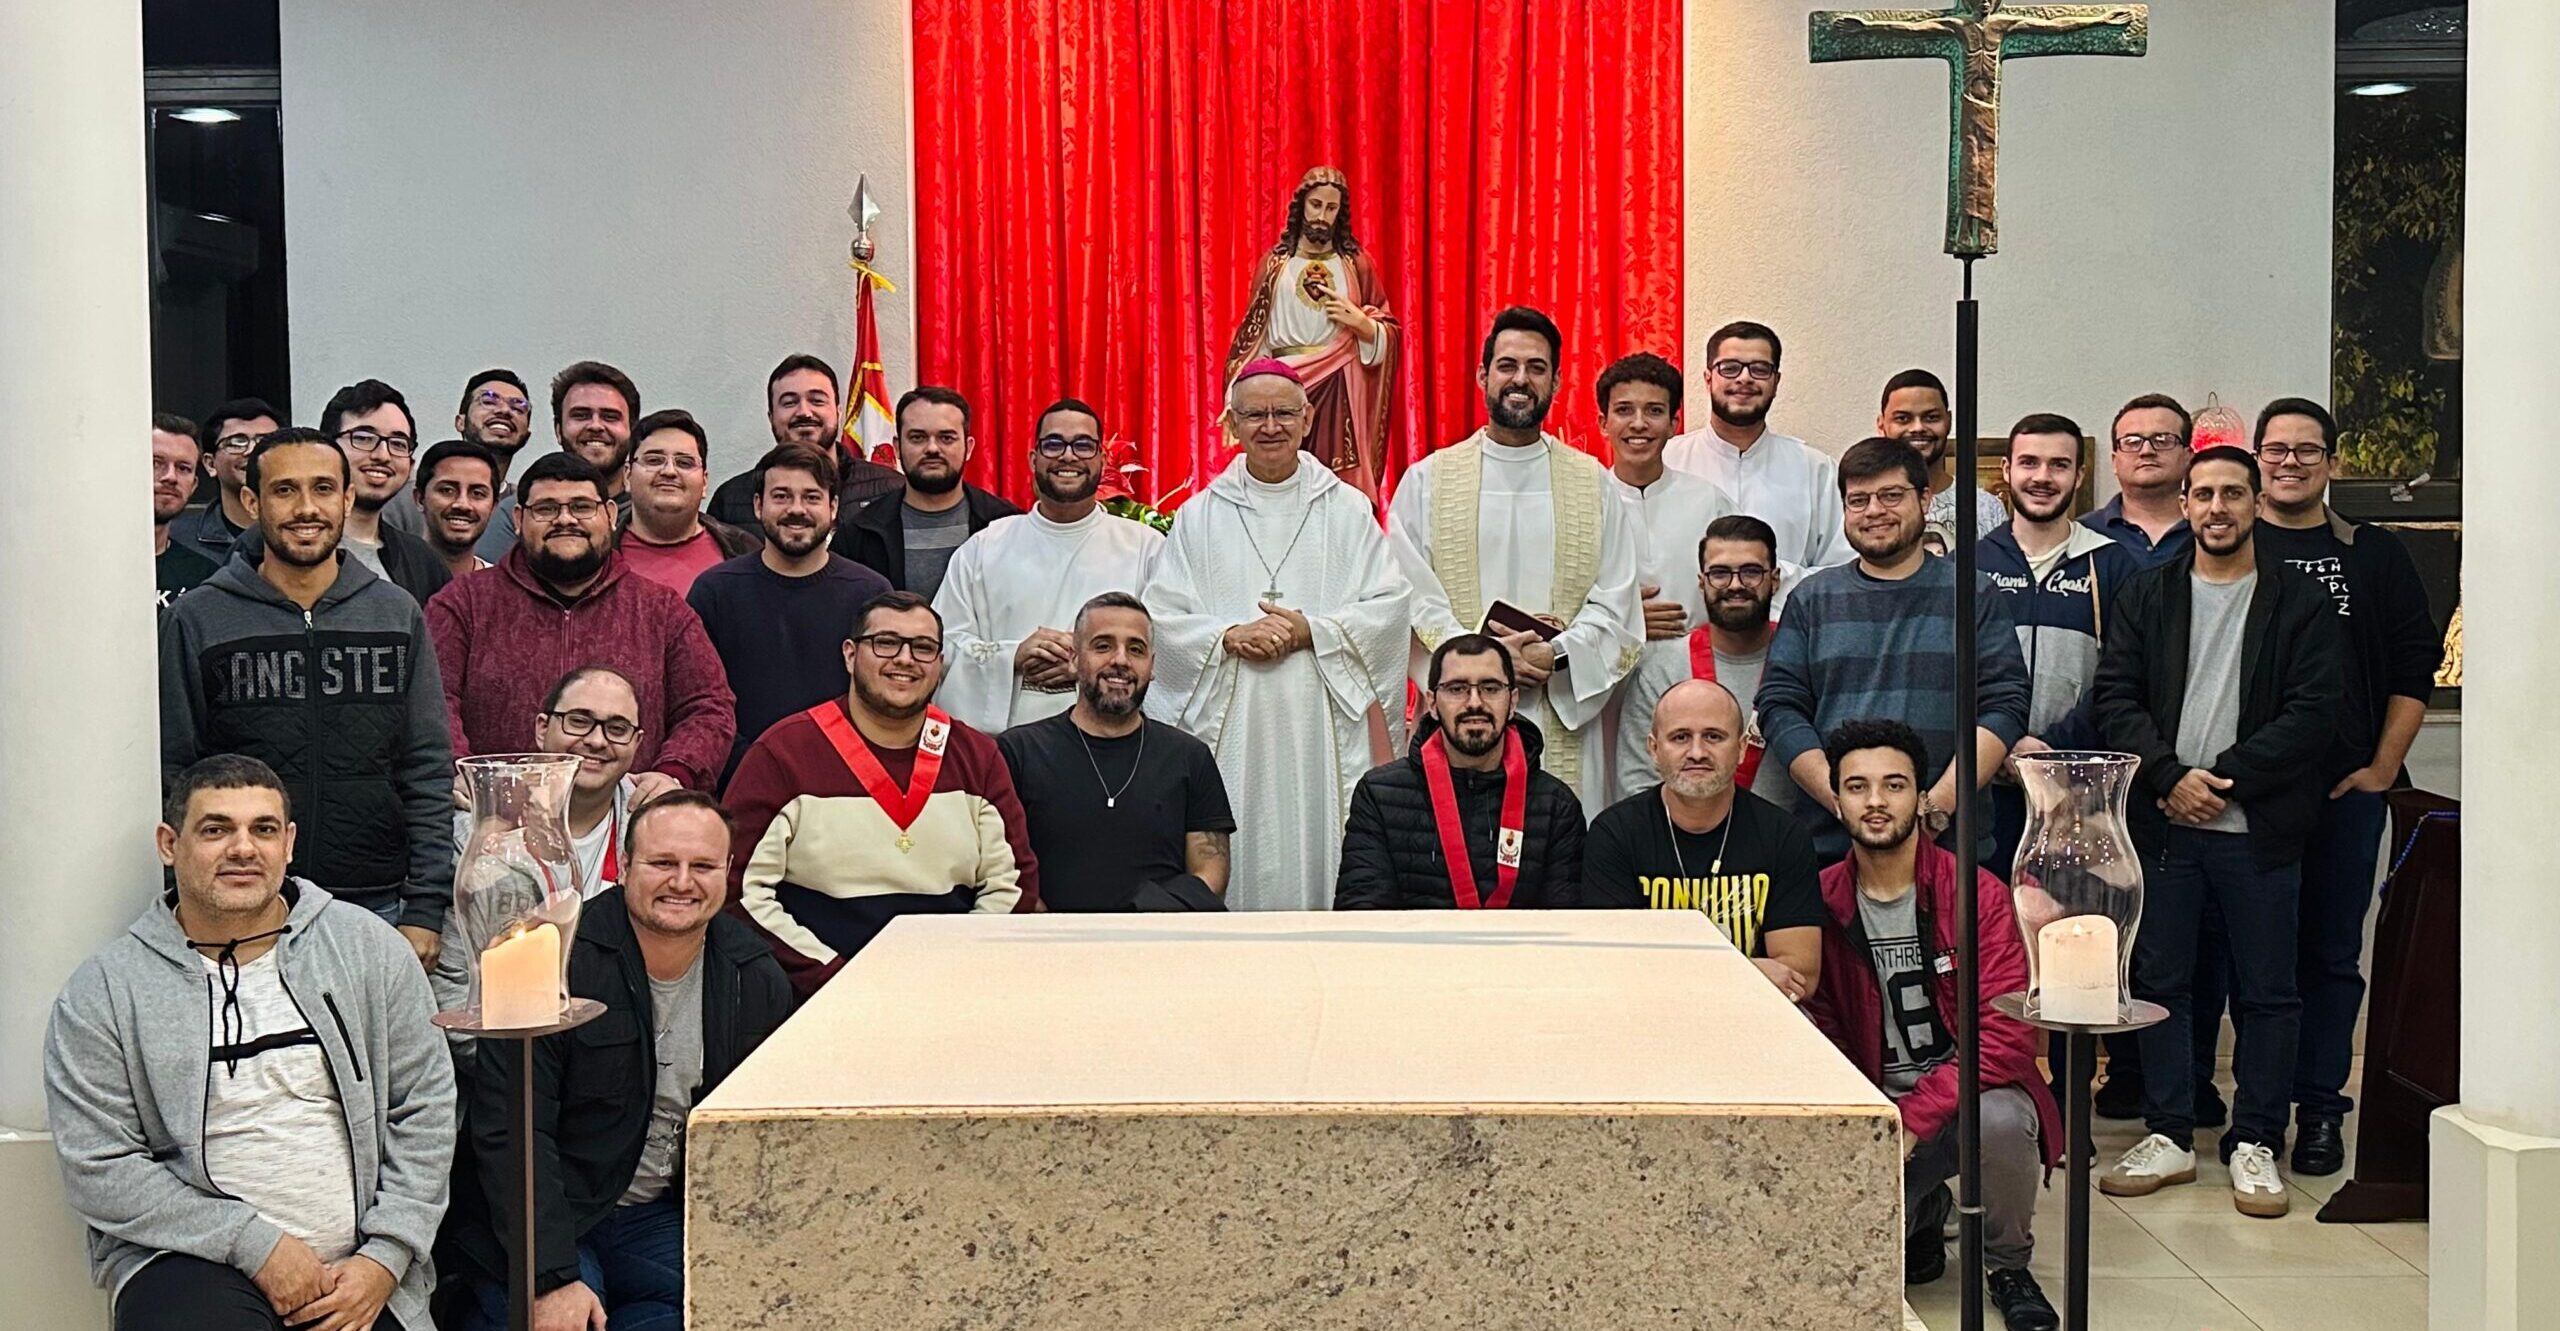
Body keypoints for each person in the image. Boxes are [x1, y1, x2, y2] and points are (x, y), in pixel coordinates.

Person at [44, 756, 454, 1331]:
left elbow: (425, 1108)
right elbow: (100, 1165)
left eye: (263, 829)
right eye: (216, 829)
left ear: (288, 844)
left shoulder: (369, 949)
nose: (243, 848)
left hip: (359, 1272)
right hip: (189, 1263)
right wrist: (256, 1246)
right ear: (169, 845)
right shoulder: (105, 991)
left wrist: (385, 1257)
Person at [2185, 399, 2439, 1177]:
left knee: (2328, 957)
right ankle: (2246, 1112)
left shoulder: (2373, 554)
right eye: (2276, 449)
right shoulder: (2228, 546)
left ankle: (2321, 1108)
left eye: (2307, 450)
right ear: (2256, 459)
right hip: (2244, 795)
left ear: (2331, 461)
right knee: (2241, 960)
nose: (2290, 462)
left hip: (2338, 796)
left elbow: (2414, 665)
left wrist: (2382, 768)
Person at [2092, 446, 2343, 1218]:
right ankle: (2169, 1132)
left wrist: (2222, 777)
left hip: (2259, 830)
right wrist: (2171, 777)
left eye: (2233, 492)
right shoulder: (2149, 592)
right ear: (2186, 505)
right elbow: (2116, 696)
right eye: (2203, 493)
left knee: (2267, 991)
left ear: (2257, 501)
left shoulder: (2300, 600)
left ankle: (2256, 1138)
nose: (2217, 507)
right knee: (2160, 982)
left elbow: (2314, 711)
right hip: (2167, 826)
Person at [457, 791, 791, 1331]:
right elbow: (510, 1130)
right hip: (553, 1217)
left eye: (702, 866)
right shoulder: (547, 958)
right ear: (625, 863)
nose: (682, 882)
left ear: (728, 870)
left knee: (728, 1310)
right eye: (663, 863)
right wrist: (550, 1276)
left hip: (658, 1217)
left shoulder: (752, 975)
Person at [1799, 720, 2060, 1331]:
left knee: (2002, 1120)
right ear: (1836, 800)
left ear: (1921, 798)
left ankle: (2007, 1266)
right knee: (1843, 1259)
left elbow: (2008, 1036)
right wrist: (1869, 1118)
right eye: (1857, 787)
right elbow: (1825, 1028)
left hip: (1965, 1100)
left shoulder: (1977, 894)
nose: (1876, 801)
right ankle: (1923, 1212)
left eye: (1894, 785)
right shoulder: (1820, 900)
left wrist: (1917, 1117)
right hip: (1879, 1107)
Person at [160, 428, 455, 963]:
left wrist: (425, 907)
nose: (306, 508)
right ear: (252, 502)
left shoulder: (395, 613)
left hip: (380, 905)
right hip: (241, 906)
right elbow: (174, 769)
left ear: (347, 498)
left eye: (323, 489)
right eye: (284, 490)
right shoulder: (198, 618)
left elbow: (427, 767)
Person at [1142, 361, 1410, 910]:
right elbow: (1160, 618)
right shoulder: (1199, 516)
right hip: (1232, 719)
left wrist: (1312, 631)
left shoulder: (1347, 509)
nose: (1270, 426)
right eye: (1255, 415)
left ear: (1307, 418)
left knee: (1321, 843)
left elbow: (1389, 607)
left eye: (1284, 413)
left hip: (1320, 719)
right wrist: (1227, 636)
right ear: (1232, 424)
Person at [1388, 306, 1643, 812]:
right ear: (1483, 376)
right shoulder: (1428, 481)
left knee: (1557, 846)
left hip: (1558, 708)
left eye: (1536, 367)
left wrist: (1558, 654)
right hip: (1460, 708)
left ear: (1557, 381)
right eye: (1507, 366)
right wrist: (1484, 660)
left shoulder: (1592, 482)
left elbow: (1617, 602)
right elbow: (1405, 592)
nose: (1520, 379)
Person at [727, 592, 1038, 998]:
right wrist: (834, 978)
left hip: (954, 991)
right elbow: (738, 889)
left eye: (923, 648)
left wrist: (958, 969)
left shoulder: (977, 757)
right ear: (850, 654)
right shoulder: (784, 753)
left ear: (940, 664)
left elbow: (1013, 884)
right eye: (886, 643)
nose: (905, 659)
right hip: (822, 996)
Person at [1757, 438, 2031, 862]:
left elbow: (2005, 705)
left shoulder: (1973, 594)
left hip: (1952, 849)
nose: (1874, 511)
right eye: (1859, 500)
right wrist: (1844, 802)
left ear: (1924, 499)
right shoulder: (1811, 600)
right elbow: (1779, 707)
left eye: (1890, 495)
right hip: (1832, 850)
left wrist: (1936, 806)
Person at [426, 451, 736, 796]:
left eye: (582, 507)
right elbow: (432, 700)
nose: (565, 519)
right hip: (494, 815)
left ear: (610, 514)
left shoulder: (661, 610)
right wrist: (458, 770)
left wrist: (674, 773)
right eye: (546, 509)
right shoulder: (464, 602)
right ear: (518, 519)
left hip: (627, 821)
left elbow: (709, 707)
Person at [934, 397, 1166, 734]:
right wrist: (1013, 656)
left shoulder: (1147, 548)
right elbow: (940, 646)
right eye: (1054, 444)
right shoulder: (983, 548)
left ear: (1102, 460)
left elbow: (1169, 648)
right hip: (1007, 747)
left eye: (1083, 445)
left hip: (1112, 740)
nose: (1068, 456)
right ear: (1034, 459)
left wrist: (1090, 664)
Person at [1583, 680, 1824, 1001]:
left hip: (1756, 1020)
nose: (1697, 753)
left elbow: (1800, 977)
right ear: (1654, 749)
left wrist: (1669, 972)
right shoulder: (1615, 834)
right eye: (1680, 737)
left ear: (1741, 748)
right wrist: (1743, 971)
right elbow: (1614, 968)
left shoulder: (1784, 835)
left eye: (1713, 737)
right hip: (1648, 1016)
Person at [999, 593, 1236, 912]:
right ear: (1074, 659)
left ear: (1152, 666)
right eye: (1103, 646)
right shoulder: (1017, 752)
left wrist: (1141, 924)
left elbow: (1210, 871)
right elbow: (1000, 866)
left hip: (1159, 936)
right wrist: (1052, 927)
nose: (1121, 660)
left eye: (1136, 649)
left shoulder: (1189, 756)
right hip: (1048, 937)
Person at [1979, 413, 2139, 874]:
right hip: (1986, 788)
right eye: (2029, 462)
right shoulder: (1970, 563)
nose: (2043, 477)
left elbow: (2124, 676)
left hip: (2078, 791)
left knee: (2072, 915)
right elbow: (1950, 670)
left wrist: (2052, 746)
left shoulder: (2113, 565)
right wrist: (1999, 742)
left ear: (2080, 475)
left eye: (2059, 465)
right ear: (2007, 470)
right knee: (1989, 914)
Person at [688, 444, 892, 785]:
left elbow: (883, 701)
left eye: (811, 497)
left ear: (833, 507)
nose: (797, 509)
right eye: (781, 496)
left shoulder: (871, 593)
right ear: (758, 505)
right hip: (739, 785)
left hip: (846, 786)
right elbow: (697, 701)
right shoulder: (714, 592)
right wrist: (760, 768)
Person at [1336, 635, 1583, 910]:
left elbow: (1567, 922)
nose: (1475, 702)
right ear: (1432, 703)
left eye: (1490, 688)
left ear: (1512, 701)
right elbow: (1361, 912)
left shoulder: (1556, 804)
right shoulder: (1379, 795)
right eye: (1457, 689)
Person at [1598, 352, 1732, 807]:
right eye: (1624, 410)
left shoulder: (1708, 502)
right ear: (1603, 422)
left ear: (1674, 423)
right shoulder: (1584, 501)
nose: (1639, 424)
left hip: (1689, 684)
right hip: (1602, 689)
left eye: (1653, 411)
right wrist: (1626, 619)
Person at [1222, 165, 1399, 502]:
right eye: (1315, 205)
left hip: (1342, 385)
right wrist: (1236, 396)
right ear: (1301, 206)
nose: (1321, 216)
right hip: (1282, 386)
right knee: (1280, 478)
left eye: (1331, 208)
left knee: (1338, 488)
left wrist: (1362, 325)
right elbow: (1253, 338)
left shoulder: (1356, 264)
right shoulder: (1275, 265)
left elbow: (1387, 329)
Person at [1614, 514, 1792, 806]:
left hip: (1788, 833)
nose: (1735, 585)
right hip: (1680, 834)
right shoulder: (1660, 671)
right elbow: (1638, 782)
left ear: (1774, 580)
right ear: (1702, 582)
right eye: (1720, 573)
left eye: (1751, 572)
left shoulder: (1800, 661)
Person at [1660, 321, 1853, 580]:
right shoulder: (1666, 460)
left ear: (1776, 382)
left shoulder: (1816, 470)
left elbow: (1841, 570)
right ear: (1708, 379)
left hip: (1788, 607)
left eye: (1760, 369)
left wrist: (1776, 579)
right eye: (1730, 368)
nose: (1744, 378)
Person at [835, 386, 1021, 598]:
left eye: (946, 438)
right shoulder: (858, 535)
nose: (932, 448)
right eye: (917, 437)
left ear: (968, 448)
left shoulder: (1008, 526)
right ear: (897, 447)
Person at [709, 354, 905, 525]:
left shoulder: (891, 491)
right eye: (789, 402)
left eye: (817, 401)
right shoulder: (730, 501)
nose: (804, 412)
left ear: (839, 413)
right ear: (771, 418)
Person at [320, 379, 453, 604]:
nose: (382, 455)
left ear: (411, 464)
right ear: (325, 449)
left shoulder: (422, 562)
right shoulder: (283, 546)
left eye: (398, 443)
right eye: (363, 438)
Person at [616, 408, 761, 597]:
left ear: (704, 482)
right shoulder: (596, 552)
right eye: (654, 460)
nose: (669, 471)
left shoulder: (746, 549)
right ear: (627, 476)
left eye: (684, 463)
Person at [1876, 369, 2006, 554]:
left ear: (1949, 421)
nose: (1918, 428)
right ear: (1881, 425)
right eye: (1903, 419)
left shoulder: (1986, 508)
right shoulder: (1865, 508)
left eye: (1931, 417)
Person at [2081, 393, 2195, 564]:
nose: (2146, 451)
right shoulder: (2083, 534)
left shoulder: (2213, 530)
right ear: (2114, 461)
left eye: (2162, 440)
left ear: (2188, 457)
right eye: (2132, 441)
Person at [171, 397, 282, 565]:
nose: (252, 451)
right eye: (237, 442)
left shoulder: (306, 529)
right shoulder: (178, 538)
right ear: (210, 464)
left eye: (266, 442)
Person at [446, 370, 538, 563]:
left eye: (518, 407)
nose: (504, 411)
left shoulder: (528, 505)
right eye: (488, 401)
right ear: (460, 422)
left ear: (527, 434)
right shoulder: (409, 499)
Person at [153, 412, 220, 607]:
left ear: (194, 485)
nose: (170, 477)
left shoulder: (205, 578)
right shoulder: (90, 562)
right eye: (156, 463)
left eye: (183, 468)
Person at [550, 360, 640, 503]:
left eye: (610, 417)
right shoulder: (525, 510)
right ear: (558, 430)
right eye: (581, 415)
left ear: (633, 431)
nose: (595, 426)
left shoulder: (656, 513)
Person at [413, 439, 502, 575]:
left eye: (477, 493)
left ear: (493, 506)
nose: (462, 504)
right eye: (447, 490)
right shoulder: (387, 577)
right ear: (420, 499)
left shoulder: (501, 585)